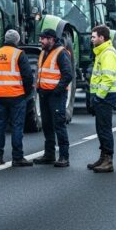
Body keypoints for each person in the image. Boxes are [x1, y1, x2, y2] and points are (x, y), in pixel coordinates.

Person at [0, 29, 35, 167]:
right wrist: (26, 93)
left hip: (0, 96)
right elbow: (28, 77)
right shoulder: (19, 54)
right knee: (17, 127)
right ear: (17, 41)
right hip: (17, 96)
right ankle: (17, 157)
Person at [33, 29, 74, 168]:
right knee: (47, 125)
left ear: (51, 39)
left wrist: (57, 90)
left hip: (56, 95)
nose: (41, 41)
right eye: (41, 38)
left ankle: (64, 156)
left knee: (59, 124)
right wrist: (39, 88)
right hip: (44, 94)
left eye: (43, 38)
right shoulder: (43, 52)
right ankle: (49, 154)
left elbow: (68, 75)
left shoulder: (61, 53)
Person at [87, 25, 116, 173]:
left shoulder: (108, 53)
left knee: (104, 129)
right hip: (103, 96)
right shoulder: (101, 52)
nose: (91, 39)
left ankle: (108, 161)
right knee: (101, 129)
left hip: (105, 97)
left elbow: (107, 78)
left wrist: (98, 97)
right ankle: (103, 157)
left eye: (93, 37)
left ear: (102, 38)